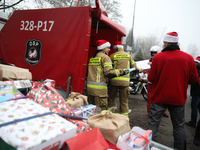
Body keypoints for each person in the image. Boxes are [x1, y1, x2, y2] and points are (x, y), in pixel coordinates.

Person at [147, 31, 198, 150]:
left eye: (164, 42)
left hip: (159, 97)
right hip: (178, 98)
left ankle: (148, 147)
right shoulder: (189, 58)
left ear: (167, 43)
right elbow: (194, 79)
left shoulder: (158, 57)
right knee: (179, 127)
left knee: (153, 125)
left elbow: (151, 78)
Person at [87, 40, 128, 111]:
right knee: (101, 112)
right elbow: (108, 73)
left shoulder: (93, 58)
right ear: (103, 48)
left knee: (92, 111)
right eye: (108, 48)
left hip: (90, 90)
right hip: (100, 92)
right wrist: (121, 71)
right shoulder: (105, 58)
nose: (109, 50)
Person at [107, 41, 142, 116]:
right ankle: (124, 117)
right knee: (124, 101)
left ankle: (109, 116)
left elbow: (109, 70)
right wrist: (140, 69)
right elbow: (135, 68)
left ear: (116, 49)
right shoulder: (128, 56)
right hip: (125, 83)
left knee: (111, 99)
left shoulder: (112, 56)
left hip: (114, 82)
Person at [147, 45, 169, 118]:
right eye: (152, 53)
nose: (153, 54)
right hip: (151, 82)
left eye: (155, 53)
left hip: (160, 82)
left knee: (162, 97)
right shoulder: (149, 60)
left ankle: (163, 112)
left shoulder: (162, 60)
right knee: (150, 98)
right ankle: (149, 111)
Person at [185, 56, 200, 128]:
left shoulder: (197, 70)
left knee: (194, 107)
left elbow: (194, 80)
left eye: (196, 62)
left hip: (196, 92)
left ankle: (193, 122)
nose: (195, 63)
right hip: (196, 92)